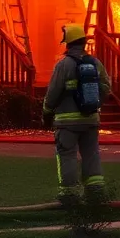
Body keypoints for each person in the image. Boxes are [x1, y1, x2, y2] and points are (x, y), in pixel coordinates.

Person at [43, 23, 112, 202]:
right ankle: (95, 192)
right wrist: (95, 103)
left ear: (68, 44)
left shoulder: (63, 65)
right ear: (83, 42)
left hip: (67, 123)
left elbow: (52, 93)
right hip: (91, 119)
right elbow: (106, 87)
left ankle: (69, 195)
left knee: (67, 155)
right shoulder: (95, 63)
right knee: (91, 154)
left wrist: (46, 112)